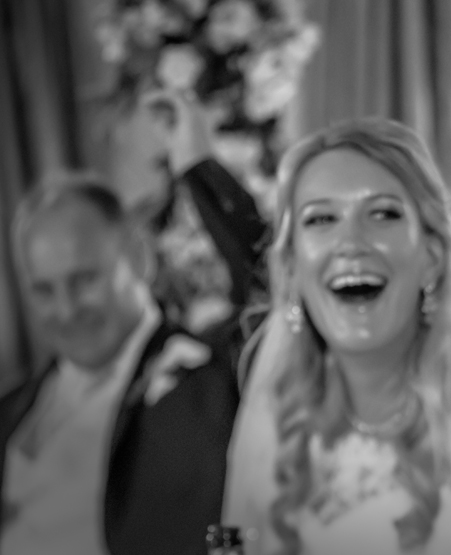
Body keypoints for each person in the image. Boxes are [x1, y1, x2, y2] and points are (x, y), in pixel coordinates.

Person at [222, 118, 451, 555]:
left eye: (383, 213)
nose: (351, 242)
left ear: (431, 257)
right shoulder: (278, 421)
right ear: (291, 268)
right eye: (321, 218)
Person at [0, 90, 266, 555]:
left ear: (139, 258)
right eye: (44, 290)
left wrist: (200, 169)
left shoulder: (209, 376)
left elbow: (276, 292)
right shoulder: (13, 409)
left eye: (84, 280)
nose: (66, 310)